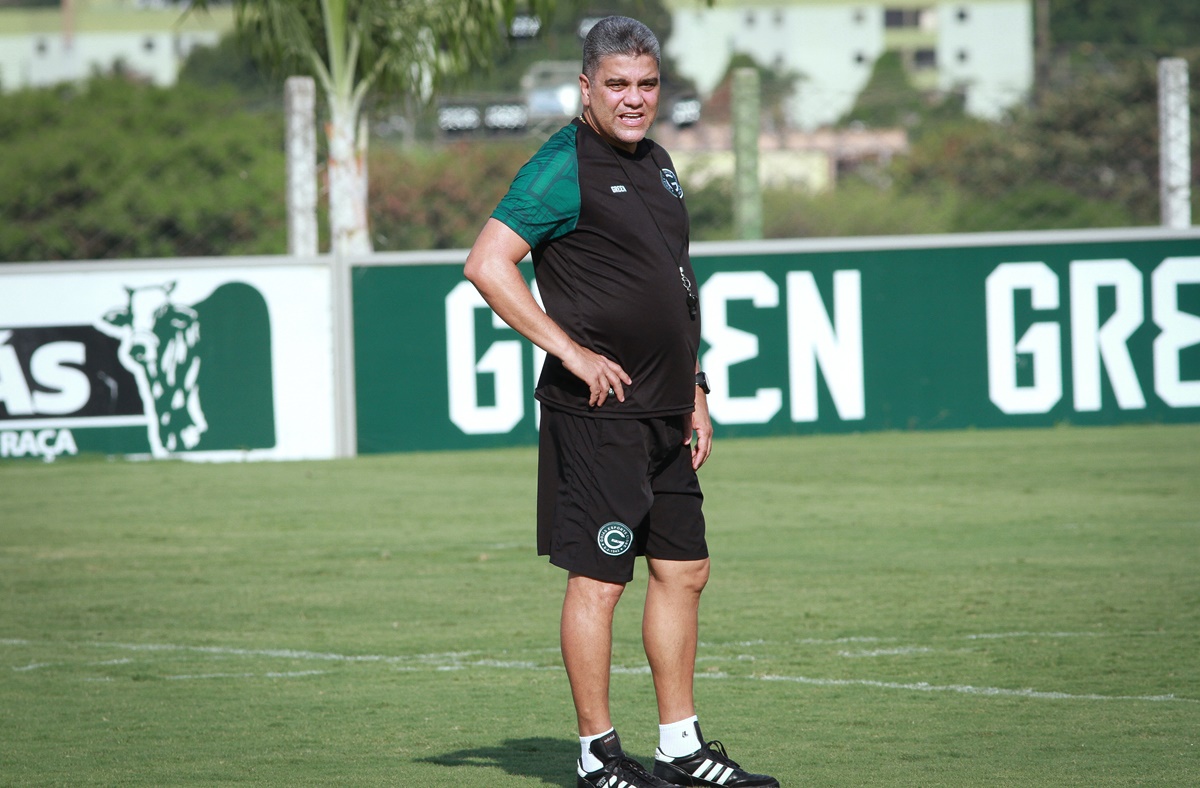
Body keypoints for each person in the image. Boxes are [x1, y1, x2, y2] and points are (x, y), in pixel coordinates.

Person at [464, 15, 779, 788]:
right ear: (586, 88)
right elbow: (487, 263)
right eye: (617, 85)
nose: (633, 99)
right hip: (596, 412)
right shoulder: (560, 164)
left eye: (646, 84)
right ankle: (597, 754)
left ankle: (680, 746)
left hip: (667, 411)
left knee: (685, 568)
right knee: (601, 579)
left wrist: (696, 389)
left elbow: (676, 284)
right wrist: (569, 350)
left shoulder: (661, 163)